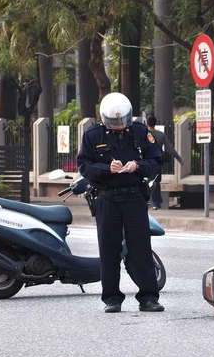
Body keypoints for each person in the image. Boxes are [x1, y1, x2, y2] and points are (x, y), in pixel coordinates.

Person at [77, 92, 164, 313]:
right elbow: (84, 166)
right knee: (109, 249)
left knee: (140, 248)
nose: (119, 125)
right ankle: (112, 298)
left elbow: (156, 160)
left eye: (123, 120)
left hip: (134, 196)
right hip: (107, 197)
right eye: (114, 122)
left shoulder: (140, 132)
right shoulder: (92, 135)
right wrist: (107, 169)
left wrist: (139, 166)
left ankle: (148, 297)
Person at [145, 115, 183, 210]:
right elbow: (170, 148)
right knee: (156, 181)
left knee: (150, 181)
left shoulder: (145, 134)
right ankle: (157, 202)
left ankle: (154, 202)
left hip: (147, 160)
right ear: (155, 123)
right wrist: (179, 159)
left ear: (147, 123)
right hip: (158, 160)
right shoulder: (161, 135)